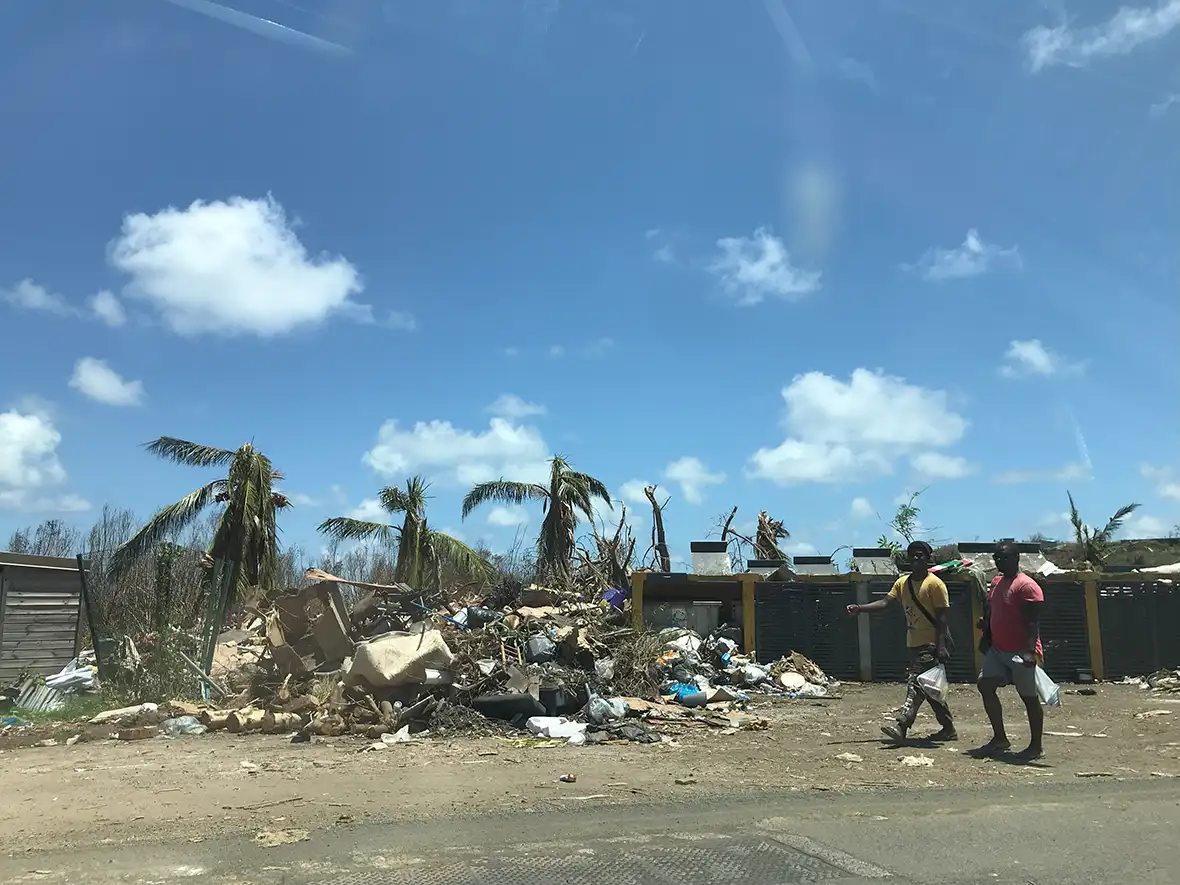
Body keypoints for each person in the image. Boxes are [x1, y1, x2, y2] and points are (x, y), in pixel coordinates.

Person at [847, 540, 955, 743]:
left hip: (931, 644)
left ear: (927, 558)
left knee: (916, 684)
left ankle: (902, 725)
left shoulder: (935, 585)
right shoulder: (902, 583)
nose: (916, 558)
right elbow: (885, 603)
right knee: (930, 689)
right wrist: (860, 608)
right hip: (913, 642)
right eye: (912, 554)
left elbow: (942, 619)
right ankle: (948, 728)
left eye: (920, 555)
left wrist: (940, 646)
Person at [973, 541, 1045, 761]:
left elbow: (1033, 622)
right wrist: (986, 625)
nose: (999, 561)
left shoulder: (1026, 586)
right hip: (999, 648)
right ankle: (1000, 738)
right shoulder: (996, 582)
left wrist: (1030, 652)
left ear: (1016, 558)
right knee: (985, 684)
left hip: (1021, 650)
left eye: (1004, 557)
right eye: (997, 558)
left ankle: (1036, 746)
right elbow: (995, 609)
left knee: (1029, 698)